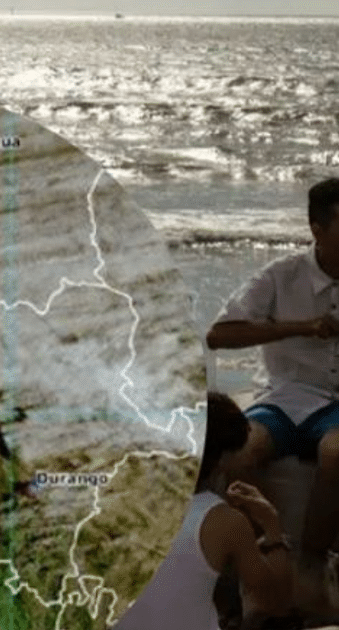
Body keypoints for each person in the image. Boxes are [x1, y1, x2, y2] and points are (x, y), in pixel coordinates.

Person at [206, 177, 339, 616]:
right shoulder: (283, 275)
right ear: (317, 229)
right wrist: (302, 328)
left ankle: (311, 562)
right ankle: (266, 544)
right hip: (285, 396)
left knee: (336, 453)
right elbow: (220, 334)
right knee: (240, 454)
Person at [113, 393, 294, 630]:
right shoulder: (224, 522)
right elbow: (276, 603)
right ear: (222, 459)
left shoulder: (114, 506)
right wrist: (272, 526)